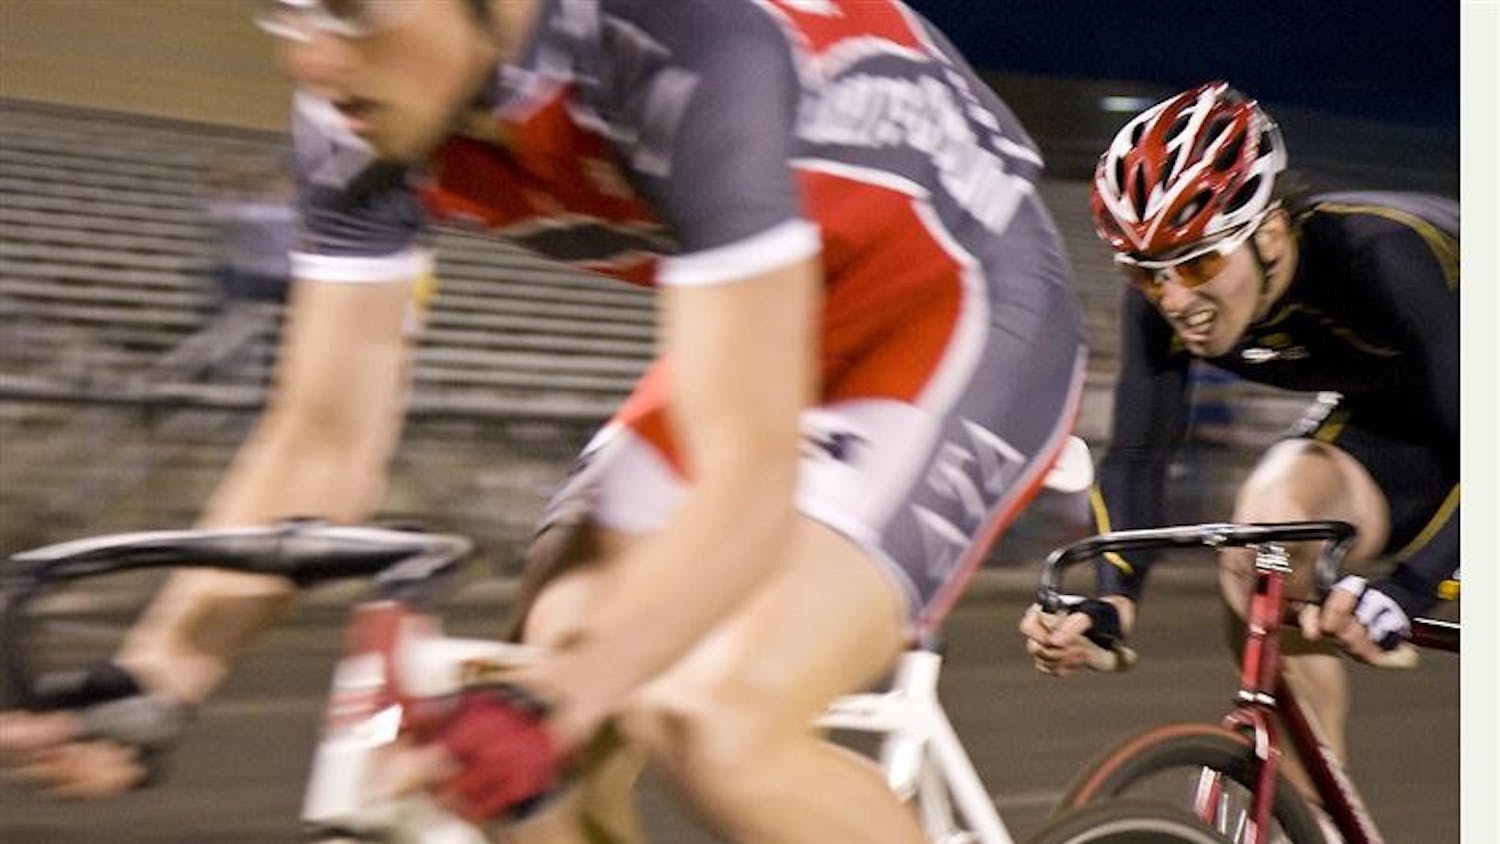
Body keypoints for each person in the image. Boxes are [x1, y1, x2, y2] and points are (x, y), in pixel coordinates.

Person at [1, 1, 1087, 840]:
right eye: (289, 11)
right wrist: (156, 680)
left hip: (957, 307)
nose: (312, 60)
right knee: (513, 733)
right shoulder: (358, 115)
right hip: (775, 330)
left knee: (707, 718)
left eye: (351, 9)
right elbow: (320, 443)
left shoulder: (678, 42)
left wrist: (564, 697)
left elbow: (746, 487)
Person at [1020, 80, 1458, 801]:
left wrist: (1410, 587)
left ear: (1272, 233)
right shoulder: (1166, 299)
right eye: (1145, 273)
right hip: (1405, 423)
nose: (1176, 300)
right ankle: (1312, 805)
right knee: (1263, 541)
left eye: (1197, 264)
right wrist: (1111, 599)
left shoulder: (1388, 257)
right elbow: (1137, 454)